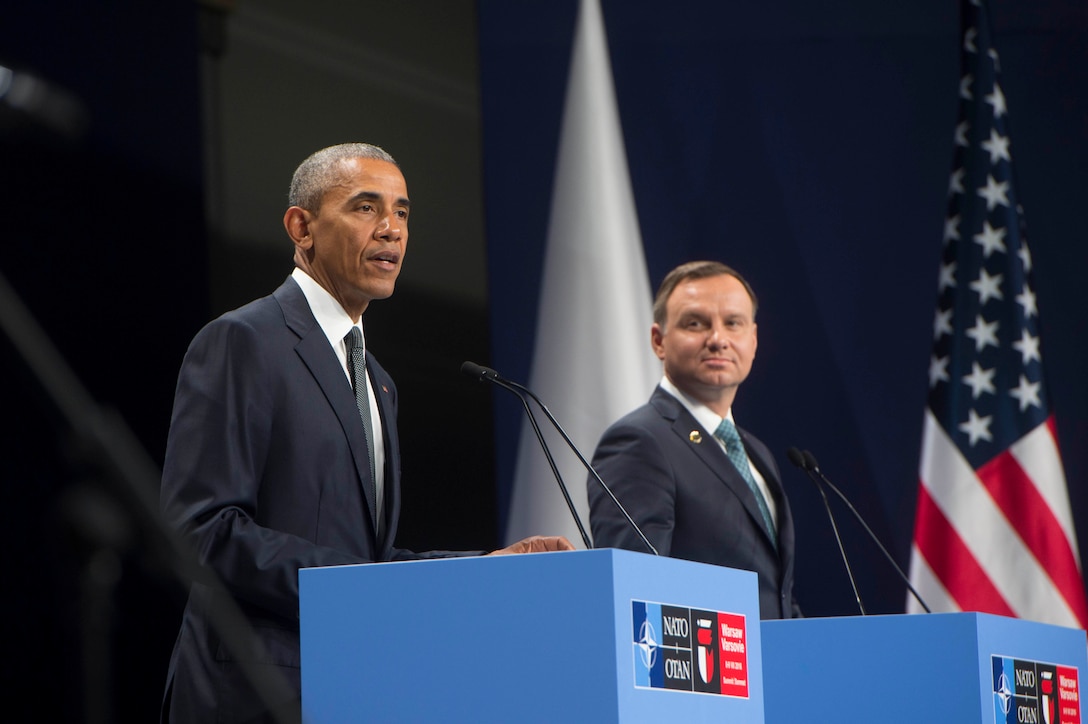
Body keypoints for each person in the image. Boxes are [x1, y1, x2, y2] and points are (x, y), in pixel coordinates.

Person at [159, 142, 573, 723]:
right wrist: (356, 594)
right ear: (301, 226)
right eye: (365, 207)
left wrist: (485, 569)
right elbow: (203, 529)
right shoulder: (244, 341)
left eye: (402, 212)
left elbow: (368, 558)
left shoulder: (377, 382)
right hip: (255, 691)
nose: (391, 230)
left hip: (356, 684)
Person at [587, 260, 800, 620]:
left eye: (732, 323)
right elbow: (636, 592)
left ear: (753, 339)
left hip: (775, 667)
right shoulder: (639, 441)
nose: (717, 339)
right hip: (700, 671)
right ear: (659, 341)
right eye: (695, 323)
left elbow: (776, 593)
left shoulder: (757, 453)